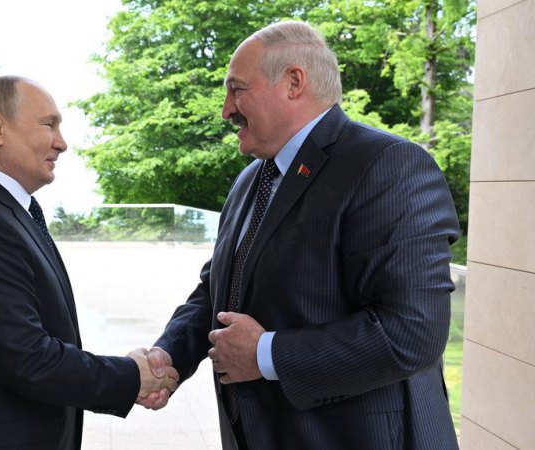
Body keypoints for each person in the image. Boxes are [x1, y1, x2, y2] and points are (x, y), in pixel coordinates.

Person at [141, 21, 460, 449]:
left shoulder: (390, 165)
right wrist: (169, 355)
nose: (226, 110)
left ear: (294, 82)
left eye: (237, 90)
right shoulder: (250, 181)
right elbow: (216, 291)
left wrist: (265, 354)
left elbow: (411, 333)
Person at [0, 76, 178, 450]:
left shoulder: (6, 210)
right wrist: (131, 376)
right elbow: (29, 359)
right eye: (48, 124)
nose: (62, 142)